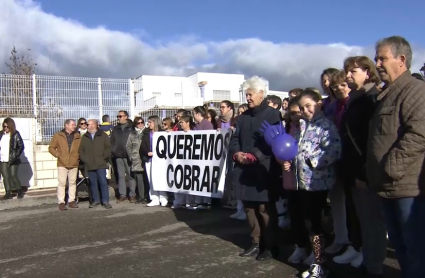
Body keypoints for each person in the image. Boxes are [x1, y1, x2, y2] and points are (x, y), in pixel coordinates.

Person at [368, 36, 425, 278]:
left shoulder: (415, 90)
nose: (377, 63)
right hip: (387, 186)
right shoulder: (388, 94)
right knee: (401, 248)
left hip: (407, 187)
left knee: (416, 250)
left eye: (382, 58)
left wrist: (390, 168)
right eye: (376, 58)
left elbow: (419, 134)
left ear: (401, 60)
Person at [342, 55, 386, 277]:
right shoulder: (356, 99)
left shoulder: (372, 99)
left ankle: (374, 267)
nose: (348, 76)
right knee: (362, 221)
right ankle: (369, 261)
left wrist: (363, 172)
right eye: (347, 71)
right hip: (353, 171)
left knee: (372, 223)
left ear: (368, 72)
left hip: (365, 173)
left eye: (353, 71)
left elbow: (371, 140)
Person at [230, 76, 281, 261]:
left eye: (250, 94)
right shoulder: (242, 117)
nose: (248, 98)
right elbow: (234, 138)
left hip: (263, 169)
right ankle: (256, 243)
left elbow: (274, 141)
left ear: (261, 94)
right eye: (246, 95)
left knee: (264, 208)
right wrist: (237, 154)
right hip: (245, 170)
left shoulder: (273, 115)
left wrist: (254, 156)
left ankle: (270, 245)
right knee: (250, 208)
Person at [293, 90, 341, 278]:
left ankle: (320, 263)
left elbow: (334, 150)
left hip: (318, 183)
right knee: (309, 223)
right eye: (302, 107)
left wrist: (312, 160)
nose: (305, 110)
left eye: (308, 106)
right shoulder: (303, 126)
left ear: (319, 104)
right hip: (303, 183)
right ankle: (317, 261)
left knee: (315, 223)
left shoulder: (326, 126)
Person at [48, 119, 81, 211]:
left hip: (74, 163)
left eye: (74, 125)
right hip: (62, 163)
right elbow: (51, 148)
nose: (74, 126)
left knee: (72, 183)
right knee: (62, 183)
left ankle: (71, 201)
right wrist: (58, 155)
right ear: (66, 125)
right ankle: (61, 202)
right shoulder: (58, 136)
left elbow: (80, 149)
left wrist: (77, 157)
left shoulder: (78, 136)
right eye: (72, 125)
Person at [79, 119, 112, 209]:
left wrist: (103, 157)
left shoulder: (103, 135)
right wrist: (85, 159)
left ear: (94, 125)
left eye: (88, 124)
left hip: (100, 163)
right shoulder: (85, 137)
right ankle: (96, 200)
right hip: (89, 165)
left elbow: (108, 148)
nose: (87, 125)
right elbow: (81, 150)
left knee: (103, 182)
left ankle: (105, 201)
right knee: (93, 183)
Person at [140, 116, 168, 207]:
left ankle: (163, 197)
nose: (149, 124)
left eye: (150, 122)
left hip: (160, 160)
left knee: (160, 178)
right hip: (149, 160)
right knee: (151, 179)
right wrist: (147, 152)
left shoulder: (162, 133)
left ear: (155, 122)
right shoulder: (146, 133)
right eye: (148, 122)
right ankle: (154, 198)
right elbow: (142, 146)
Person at [110, 110, 137, 203]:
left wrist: (133, 153)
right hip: (118, 155)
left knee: (131, 175)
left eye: (120, 116)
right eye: (118, 116)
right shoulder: (115, 128)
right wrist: (114, 150)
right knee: (121, 176)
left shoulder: (132, 127)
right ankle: (122, 194)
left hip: (129, 155)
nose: (118, 118)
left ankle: (132, 194)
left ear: (126, 117)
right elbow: (112, 141)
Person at [0, 118, 24, 200]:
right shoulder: (1, 134)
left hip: (13, 159)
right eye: (4, 126)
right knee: (5, 176)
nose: (5, 128)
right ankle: (7, 193)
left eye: (7, 126)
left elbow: (21, 146)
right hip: (2, 159)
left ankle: (19, 190)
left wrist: (16, 156)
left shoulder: (15, 134)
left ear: (11, 126)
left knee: (13, 175)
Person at [126, 116, 147, 204]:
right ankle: (141, 196)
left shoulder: (147, 132)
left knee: (147, 178)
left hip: (145, 158)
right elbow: (128, 146)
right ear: (135, 124)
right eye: (138, 123)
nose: (140, 124)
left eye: (142, 122)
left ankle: (147, 196)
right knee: (139, 178)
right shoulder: (132, 134)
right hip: (136, 159)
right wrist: (131, 156)